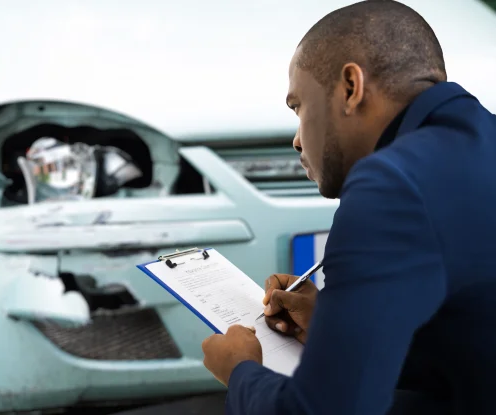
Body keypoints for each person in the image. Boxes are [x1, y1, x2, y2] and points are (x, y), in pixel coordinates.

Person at [200, 1, 496, 414]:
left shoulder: (391, 184)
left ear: (350, 88)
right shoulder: (481, 139)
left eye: (299, 107)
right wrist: (333, 326)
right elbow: (472, 346)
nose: (298, 140)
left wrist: (240, 372)